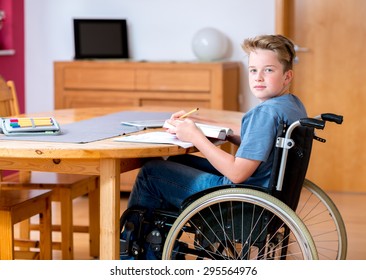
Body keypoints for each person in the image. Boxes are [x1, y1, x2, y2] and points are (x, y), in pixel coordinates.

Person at [121, 34, 307, 259]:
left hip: (239, 201)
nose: (258, 77)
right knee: (176, 162)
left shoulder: (265, 113)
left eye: (268, 70)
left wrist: (197, 137)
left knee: (152, 173)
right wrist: (203, 127)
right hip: (267, 195)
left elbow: (237, 173)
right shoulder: (290, 106)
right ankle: (160, 246)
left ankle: (136, 254)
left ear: (287, 76)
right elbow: (261, 144)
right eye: (253, 70)